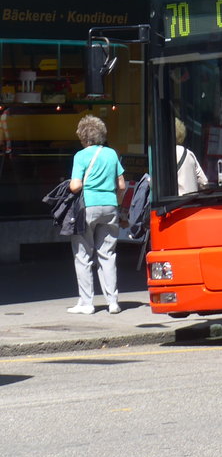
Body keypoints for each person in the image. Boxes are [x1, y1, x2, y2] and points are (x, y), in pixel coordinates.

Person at [67, 115, 126, 315]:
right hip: (110, 206)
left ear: (83, 136)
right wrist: (116, 203)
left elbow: (75, 186)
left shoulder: (80, 156)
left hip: (88, 207)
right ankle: (113, 302)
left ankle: (86, 303)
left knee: (83, 255)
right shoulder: (111, 154)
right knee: (107, 254)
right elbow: (121, 185)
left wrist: (72, 183)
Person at [175, 118, 208, 195]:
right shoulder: (189, 153)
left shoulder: (165, 154)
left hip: (176, 201)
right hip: (192, 200)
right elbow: (204, 183)